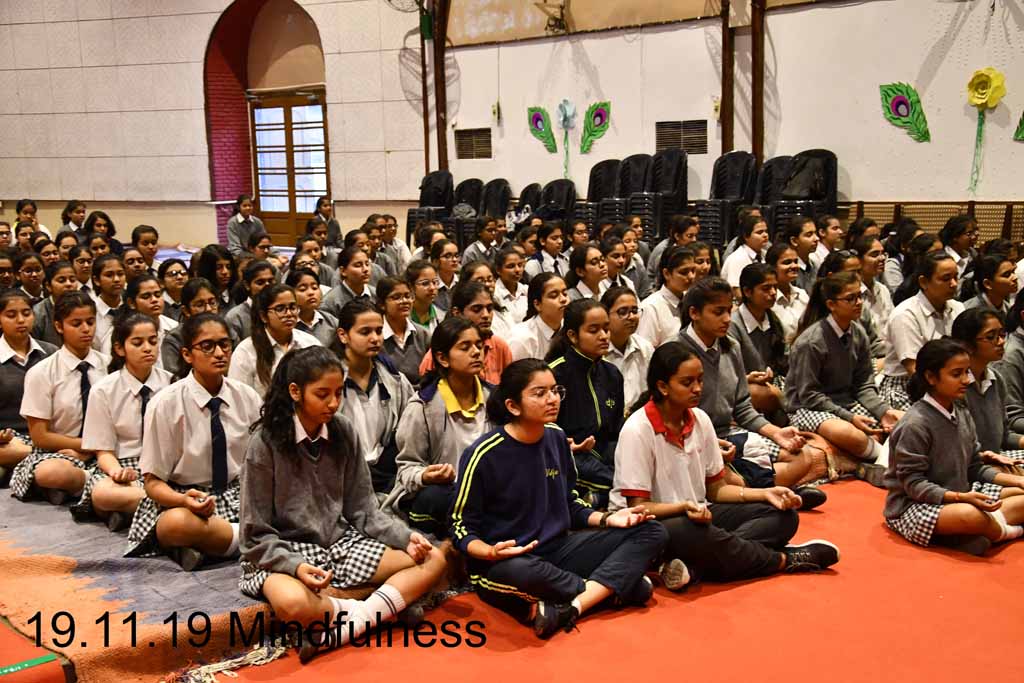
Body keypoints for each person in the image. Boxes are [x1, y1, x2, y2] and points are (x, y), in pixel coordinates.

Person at [238, 347, 445, 662]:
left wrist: (405, 537)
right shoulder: (264, 443)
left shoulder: (343, 430)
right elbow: (254, 534)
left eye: (338, 393)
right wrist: (295, 566)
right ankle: (384, 607)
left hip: (340, 544)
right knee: (293, 604)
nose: (333, 403)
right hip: (283, 549)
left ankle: (348, 621)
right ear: (295, 391)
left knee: (433, 559)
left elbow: (364, 510)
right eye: (322, 394)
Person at [451, 359, 668, 639]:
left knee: (651, 531)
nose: (552, 399)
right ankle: (613, 587)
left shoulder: (556, 437)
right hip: (509, 559)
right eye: (540, 393)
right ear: (513, 406)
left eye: (555, 390)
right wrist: (490, 552)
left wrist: (608, 518)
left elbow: (570, 503)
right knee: (526, 573)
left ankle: (574, 604)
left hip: (559, 549)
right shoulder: (483, 453)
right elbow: (460, 526)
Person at [612, 343, 840, 590]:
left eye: (700, 380)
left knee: (782, 515)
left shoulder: (700, 419)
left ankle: (698, 566)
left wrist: (765, 493)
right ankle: (783, 559)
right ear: (662, 387)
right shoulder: (637, 429)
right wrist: (684, 507)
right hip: (656, 524)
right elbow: (639, 507)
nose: (697, 388)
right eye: (687, 383)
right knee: (689, 530)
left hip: (700, 514)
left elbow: (717, 490)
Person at [127, 313, 262, 569]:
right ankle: (250, 541)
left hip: (240, 493)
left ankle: (220, 544)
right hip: (187, 497)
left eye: (224, 344)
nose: (219, 353)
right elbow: (152, 483)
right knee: (175, 524)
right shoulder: (165, 404)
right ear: (188, 355)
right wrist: (183, 501)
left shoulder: (247, 396)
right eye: (207, 346)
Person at [679, 278, 823, 502]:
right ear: (694, 313)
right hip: (690, 439)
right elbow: (670, 416)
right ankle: (767, 494)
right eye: (718, 312)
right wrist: (708, 443)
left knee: (802, 457)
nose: (727, 319)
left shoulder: (731, 347)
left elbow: (743, 407)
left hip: (728, 434)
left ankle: (760, 494)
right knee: (724, 479)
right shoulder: (675, 350)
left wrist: (776, 432)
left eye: (729, 310)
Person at [883, 338, 1024, 555]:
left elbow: (975, 467)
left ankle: (980, 531)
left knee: (1017, 495)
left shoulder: (961, 411)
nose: (966, 380)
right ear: (931, 377)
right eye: (956, 374)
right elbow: (914, 484)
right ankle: (998, 530)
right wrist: (960, 498)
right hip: (915, 505)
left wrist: (1018, 481)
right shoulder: (915, 424)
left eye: (967, 372)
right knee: (971, 515)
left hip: (961, 493)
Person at [384, 318, 492, 534]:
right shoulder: (422, 407)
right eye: (465, 347)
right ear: (442, 358)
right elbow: (407, 469)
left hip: (488, 490)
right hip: (446, 494)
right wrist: (426, 475)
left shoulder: (494, 398)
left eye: (479, 346)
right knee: (436, 497)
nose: (476, 352)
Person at [787, 272, 902, 472]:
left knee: (899, 420)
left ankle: (877, 461)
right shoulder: (811, 341)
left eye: (860, 296)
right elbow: (809, 395)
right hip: (807, 407)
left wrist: (883, 412)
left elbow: (863, 384)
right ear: (831, 304)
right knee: (850, 434)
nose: (859, 303)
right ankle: (887, 465)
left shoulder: (858, 333)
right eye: (851, 298)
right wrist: (849, 417)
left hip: (845, 401)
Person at [75, 314, 172, 530]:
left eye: (153, 341)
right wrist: (117, 472)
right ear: (120, 349)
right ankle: (166, 509)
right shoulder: (103, 390)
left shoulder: (172, 383)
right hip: (123, 466)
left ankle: (137, 512)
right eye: (137, 343)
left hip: (163, 469)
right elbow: (103, 451)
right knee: (103, 493)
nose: (148, 348)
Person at [11, 292, 107, 504]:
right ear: (59, 326)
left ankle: (85, 487)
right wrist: (85, 447)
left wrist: (93, 450)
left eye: (90, 322)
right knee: (51, 472)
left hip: (106, 450)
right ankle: (90, 485)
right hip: (61, 451)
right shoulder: (42, 372)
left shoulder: (109, 365)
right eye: (76, 323)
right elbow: (40, 437)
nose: (86, 329)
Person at [546, 299, 623, 508]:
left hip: (605, 454)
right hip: (568, 455)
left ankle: (595, 499)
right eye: (594, 330)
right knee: (621, 483)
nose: (604, 336)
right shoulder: (554, 374)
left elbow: (616, 432)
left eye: (606, 328)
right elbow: (544, 433)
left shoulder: (612, 374)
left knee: (638, 475)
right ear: (573, 336)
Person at [333, 299, 414, 494]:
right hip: (340, 472)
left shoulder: (395, 379)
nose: (375, 338)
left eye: (379, 331)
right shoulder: (327, 381)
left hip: (386, 471)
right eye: (365, 332)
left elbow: (409, 428)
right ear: (343, 335)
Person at [881, 252, 964, 411]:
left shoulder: (958, 308)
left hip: (951, 379)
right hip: (909, 385)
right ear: (924, 282)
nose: (954, 284)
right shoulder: (905, 315)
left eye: (956, 277)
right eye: (946, 279)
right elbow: (914, 370)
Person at [950, 308, 1024, 466]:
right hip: (971, 468)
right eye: (991, 337)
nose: (1001, 342)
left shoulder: (996, 379)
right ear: (967, 345)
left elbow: (1004, 436)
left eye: (1002, 335)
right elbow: (959, 452)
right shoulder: (957, 388)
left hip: (995, 460)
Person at [0, 290, 57, 484]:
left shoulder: (51, 352)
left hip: (48, 436)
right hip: (9, 441)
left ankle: (28, 467)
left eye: (26, 313)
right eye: (11, 315)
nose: (20, 320)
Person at [229, 284, 321, 397]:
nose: (289, 314)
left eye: (293, 307)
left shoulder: (310, 343)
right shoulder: (245, 351)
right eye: (280, 309)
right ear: (263, 316)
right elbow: (239, 397)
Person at [419, 281, 511, 385]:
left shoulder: (499, 347)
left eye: (489, 309)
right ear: (457, 313)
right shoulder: (439, 353)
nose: (486, 315)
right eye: (477, 309)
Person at [730, 264, 789, 420]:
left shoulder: (773, 319)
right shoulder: (733, 325)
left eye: (775, 287)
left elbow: (783, 361)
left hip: (775, 381)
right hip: (745, 388)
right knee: (764, 394)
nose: (773, 293)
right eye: (766, 288)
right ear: (747, 291)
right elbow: (731, 373)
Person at [602, 287, 653, 415]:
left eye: (634, 311)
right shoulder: (598, 350)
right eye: (623, 312)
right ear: (605, 315)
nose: (631, 317)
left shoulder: (645, 347)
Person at [637, 246, 696, 348]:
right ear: (667, 274)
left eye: (693, 270)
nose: (691, 276)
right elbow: (646, 351)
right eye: (684, 272)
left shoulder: (693, 300)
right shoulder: (650, 307)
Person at [376, 276, 428, 385]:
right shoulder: (376, 336)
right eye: (396, 297)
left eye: (407, 296)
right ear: (382, 304)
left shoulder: (424, 335)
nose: (404, 301)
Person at [120, 274, 179, 367]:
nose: (154, 300)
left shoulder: (175, 327)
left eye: (158, 295)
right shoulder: (122, 331)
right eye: (146, 296)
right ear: (131, 303)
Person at [507, 273, 567, 361]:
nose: (564, 299)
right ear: (537, 304)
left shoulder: (571, 328)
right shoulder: (521, 338)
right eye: (554, 296)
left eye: (565, 294)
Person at [224, 260, 277, 341]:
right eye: (260, 282)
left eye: (270, 281)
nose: (267, 286)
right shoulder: (235, 317)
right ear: (247, 285)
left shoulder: (281, 310)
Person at [767, 242, 809, 341]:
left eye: (796, 261)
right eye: (787, 262)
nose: (794, 266)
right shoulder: (767, 300)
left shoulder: (802, 294)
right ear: (772, 267)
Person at [32, 261, 79, 347]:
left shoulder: (84, 306)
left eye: (72, 280)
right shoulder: (37, 313)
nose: (69, 284)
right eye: (61, 281)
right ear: (48, 286)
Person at [321, 246, 375, 320]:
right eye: (358, 265)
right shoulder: (330, 303)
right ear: (343, 271)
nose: (365, 269)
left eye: (367, 264)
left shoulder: (376, 294)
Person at [720, 214, 770, 294]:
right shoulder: (737, 259)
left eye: (766, 231)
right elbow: (736, 291)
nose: (765, 235)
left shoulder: (766, 254)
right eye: (759, 232)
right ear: (746, 236)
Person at [646, 215, 700, 282]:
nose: (694, 240)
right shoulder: (663, 251)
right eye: (690, 236)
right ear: (677, 236)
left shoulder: (688, 249)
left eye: (695, 235)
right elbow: (659, 281)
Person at [882, 218, 923, 295]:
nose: (922, 245)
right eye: (917, 241)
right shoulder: (892, 265)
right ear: (904, 246)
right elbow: (899, 295)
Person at [493, 246, 528, 333]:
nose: (517, 270)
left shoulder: (527, 290)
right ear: (498, 270)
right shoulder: (494, 294)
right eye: (511, 266)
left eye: (520, 265)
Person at [194, 245, 238, 314]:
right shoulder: (198, 297)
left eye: (228, 267)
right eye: (218, 267)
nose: (225, 272)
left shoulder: (238, 293)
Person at [406, 259, 445, 335]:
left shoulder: (442, 317)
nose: (432, 288)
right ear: (411, 287)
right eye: (425, 283)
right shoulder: (403, 316)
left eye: (435, 282)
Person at [939, 214, 978, 285]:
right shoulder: (941, 256)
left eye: (975, 232)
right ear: (955, 236)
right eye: (969, 233)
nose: (974, 237)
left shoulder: (974, 255)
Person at [429, 239, 460, 312]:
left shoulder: (463, 282)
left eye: (456, 255)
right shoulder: (430, 286)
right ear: (435, 261)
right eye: (448, 256)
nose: (454, 259)